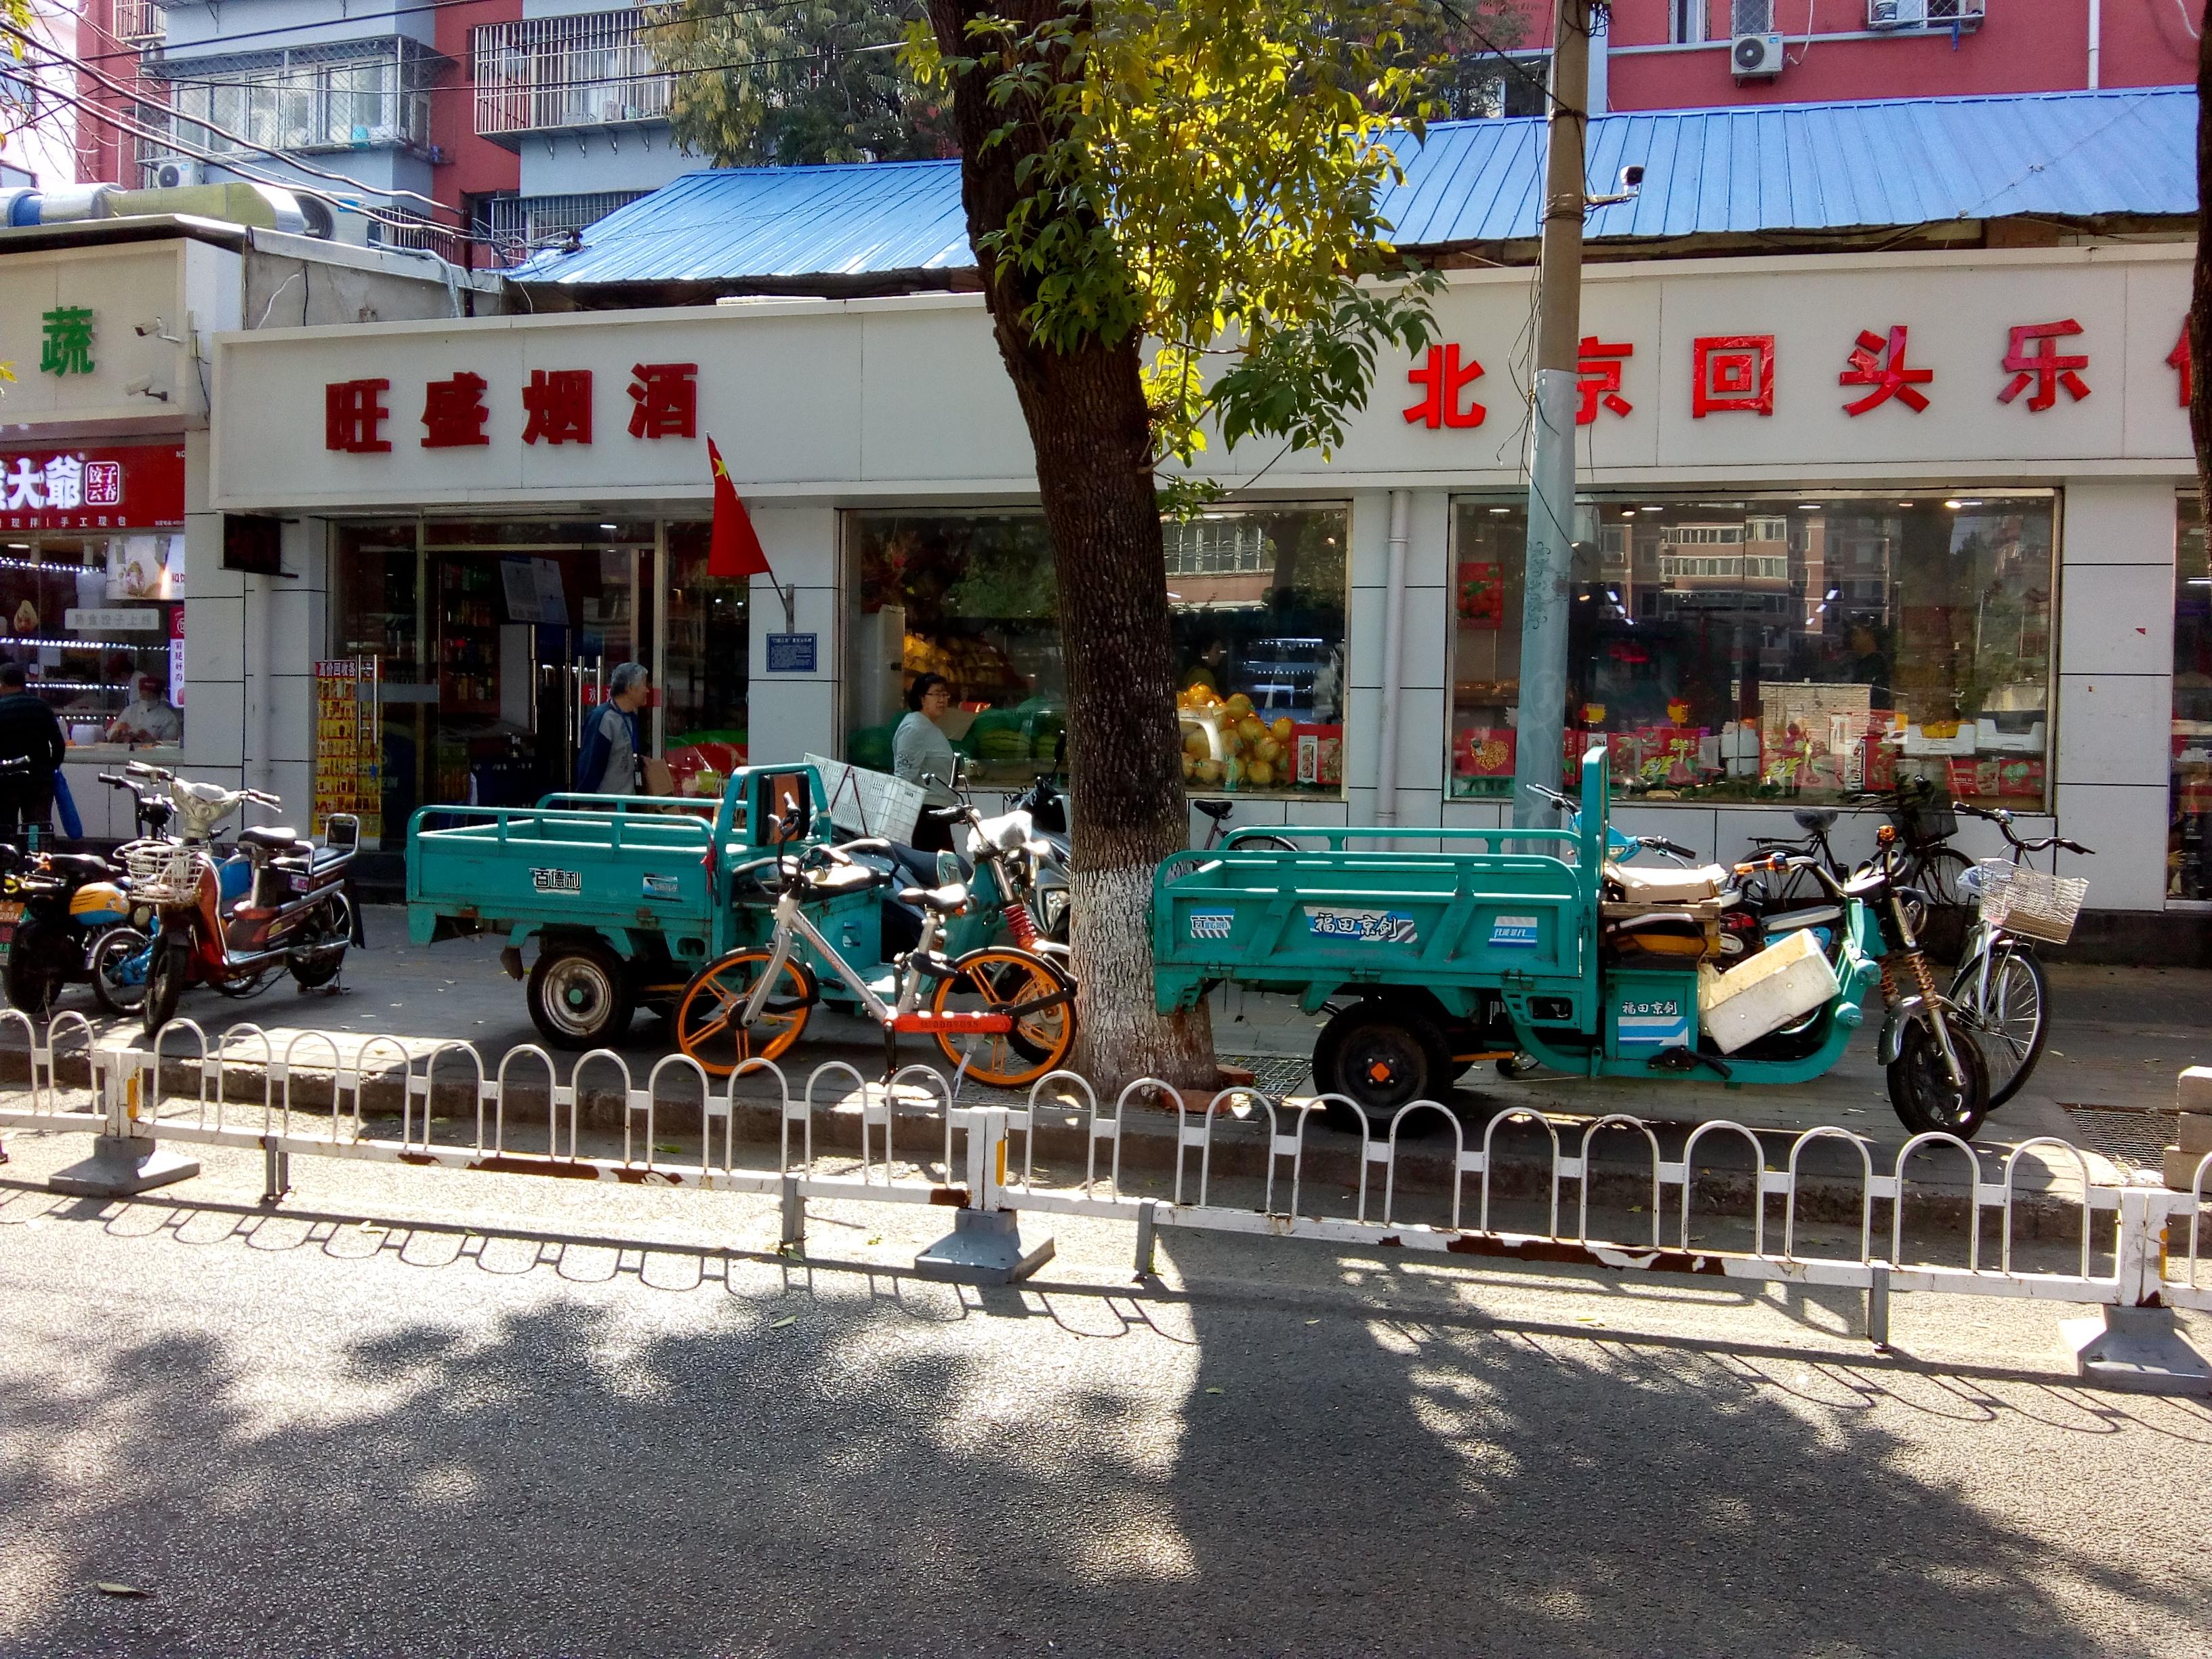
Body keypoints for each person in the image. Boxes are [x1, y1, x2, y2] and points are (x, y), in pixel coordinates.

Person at [893, 672, 961, 853]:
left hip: (936, 814)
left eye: (945, 694)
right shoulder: (914, 728)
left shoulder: (928, 726)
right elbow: (903, 777)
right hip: (924, 816)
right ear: (921, 697)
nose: (943, 700)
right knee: (941, 873)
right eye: (937, 694)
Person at [0, 661, 64, 850]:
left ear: (2, 683)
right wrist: (51, 768)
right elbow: (58, 744)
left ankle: (9, 864)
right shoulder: (41, 706)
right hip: (39, 779)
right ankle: (37, 861)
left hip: (6, 780)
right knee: (36, 825)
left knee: (5, 825)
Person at [575, 661, 649, 796]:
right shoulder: (603, 718)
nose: (647, 690)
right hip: (605, 808)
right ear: (630, 687)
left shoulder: (631, 718)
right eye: (644, 684)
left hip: (627, 804)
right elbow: (590, 764)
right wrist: (585, 804)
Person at [106, 672, 182, 745]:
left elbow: (170, 744)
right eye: (144, 695)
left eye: (151, 695)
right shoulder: (130, 711)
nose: (147, 698)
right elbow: (111, 734)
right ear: (140, 693)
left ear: (159, 696)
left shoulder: (168, 717)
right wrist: (118, 733)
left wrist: (150, 740)